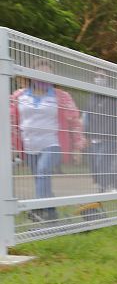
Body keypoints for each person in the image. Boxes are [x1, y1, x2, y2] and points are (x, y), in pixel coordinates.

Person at [9, 59, 84, 222]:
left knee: (43, 171)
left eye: (47, 74)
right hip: (28, 145)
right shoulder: (18, 95)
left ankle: (39, 210)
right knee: (40, 178)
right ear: (31, 75)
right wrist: (13, 145)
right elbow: (11, 120)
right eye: (39, 73)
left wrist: (78, 146)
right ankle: (51, 213)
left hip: (52, 144)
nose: (43, 78)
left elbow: (75, 121)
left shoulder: (62, 97)